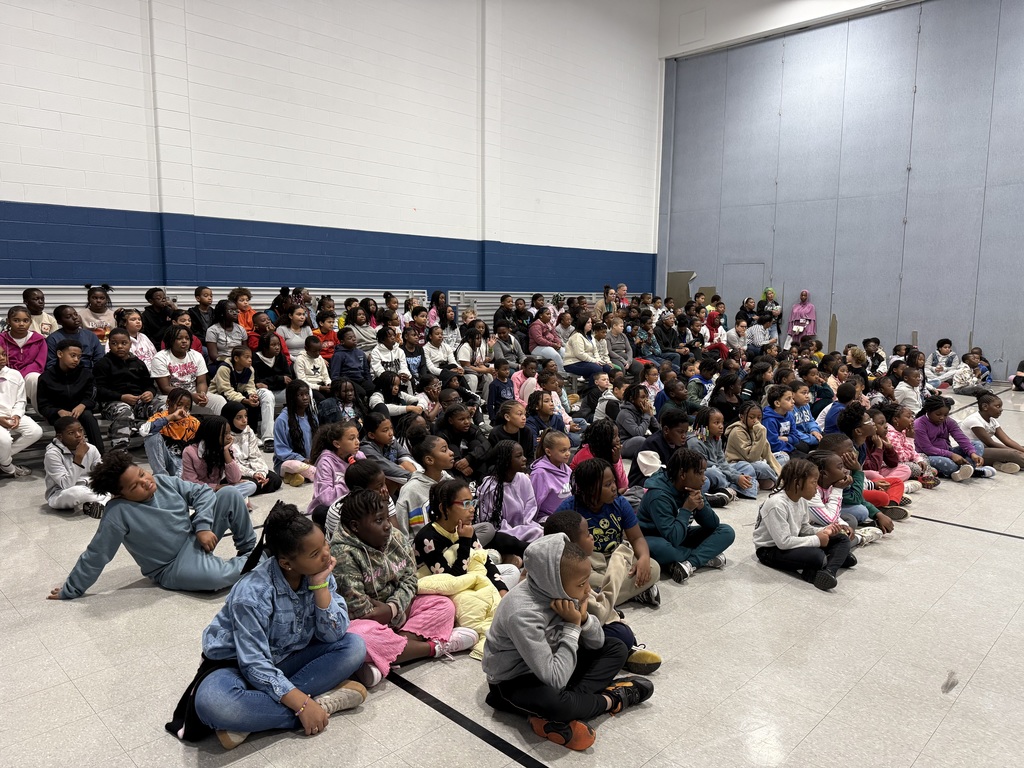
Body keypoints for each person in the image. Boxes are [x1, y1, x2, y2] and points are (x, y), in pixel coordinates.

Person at [175, 502, 367, 750]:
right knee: (215, 703)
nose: (326, 555)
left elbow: (333, 635)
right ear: (287, 563)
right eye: (314, 553)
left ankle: (253, 720)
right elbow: (253, 663)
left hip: (286, 657)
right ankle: (318, 703)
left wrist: (320, 587)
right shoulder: (253, 594)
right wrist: (301, 704)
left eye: (325, 544)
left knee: (354, 646)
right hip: (235, 665)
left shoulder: (319, 572)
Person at [482, 533, 654, 751]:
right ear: (553, 582)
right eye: (582, 584)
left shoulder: (562, 590)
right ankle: (611, 699)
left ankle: (566, 711)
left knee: (616, 648)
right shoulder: (522, 613)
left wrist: (582, 619)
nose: (588, 590)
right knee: (555, 702)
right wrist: (572, 627)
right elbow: (555, 679)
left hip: (555, 665)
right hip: (514, 680)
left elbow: (598, 643)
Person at [47, 450, 257, 599]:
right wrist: (72, 588)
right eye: (135, 486)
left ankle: (250, 552)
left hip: (195, 538)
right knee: (216, 578)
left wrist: (202, 527)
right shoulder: (118, 512)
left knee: (229, 493)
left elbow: (203, 494)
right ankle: (260, 561)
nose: (145, 482)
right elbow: (97, 553)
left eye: (141, 474)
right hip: (172, 567)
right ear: (120, 494)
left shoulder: (164, 481)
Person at [330, 491, 478, 688]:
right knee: (359, 638)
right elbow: (360, 610)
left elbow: (410, 578)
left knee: (444, 605)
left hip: (396, 611)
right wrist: (394, 611)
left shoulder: (396, 537)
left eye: (386, 518)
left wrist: (393, 608)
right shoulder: (342, 554)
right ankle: (434, 648)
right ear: (356, 527)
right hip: (366, 622)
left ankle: (386, 657)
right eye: (378, 520)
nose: (387, 525)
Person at [556, 458, 660, 607]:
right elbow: (553, 545)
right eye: (607, 484)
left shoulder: (620, 503)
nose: (614, 488)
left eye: (613, 482)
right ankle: (633, 593)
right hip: (588, 562)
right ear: (590, 489)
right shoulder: (570, 508)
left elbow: (637, 538)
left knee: (653, 567)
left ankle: (597, 600)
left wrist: (643, 557)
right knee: (582, 579)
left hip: (616, 558)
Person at [752, 458, 854, 591]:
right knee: (817, 556)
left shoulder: (802, 500)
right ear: (798, 483)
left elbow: (804, 528)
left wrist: (827, 529)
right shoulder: (776, 504)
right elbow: (783, 542)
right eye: (814, 482)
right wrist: (818, 539)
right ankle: (829, 561)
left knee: (842, 539)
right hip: (770, 551)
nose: (817, 488)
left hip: (792, 542)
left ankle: (828, 571)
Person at [637, 447, 735, 583]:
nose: (704, 478)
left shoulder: (693, 488)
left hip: (681, 533)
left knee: (726, 531)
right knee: (663, 550)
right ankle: (701, 557)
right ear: (683, 474)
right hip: (654, 537)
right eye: (700, 473)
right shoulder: (658, 495)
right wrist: (687, 509)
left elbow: (713, 525)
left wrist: (701, 507)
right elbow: (672, 538)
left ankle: (688, 563)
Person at [413, 478, 516, 593]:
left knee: (512, 570)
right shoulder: (428, 539)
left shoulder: (464, 528)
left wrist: (502, 591)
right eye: (466, 504)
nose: (472, 509)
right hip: (441, 590)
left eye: (472, 502)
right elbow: (452, 583)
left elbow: (485, 560)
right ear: (444, 508)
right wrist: (465, 541)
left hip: (468, 574)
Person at [93, 327, 158, 450]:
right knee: (125, 412)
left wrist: (150, 392)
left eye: (124, 343)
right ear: (109, 344)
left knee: (163, 407)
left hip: (139, 402)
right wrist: (121, 397)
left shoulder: (138, 363)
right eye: (114, 343)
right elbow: (98, 390)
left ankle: (162, 445)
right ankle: (119, 450)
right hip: (112, 404)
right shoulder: (103, 364)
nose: (119, 346)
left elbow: (149, 384)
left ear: (130, 343)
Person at [37, 338, 105, 453]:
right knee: (66, 424)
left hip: (80, 410)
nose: (76, 360)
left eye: (79, 357)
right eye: (72, 355)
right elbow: (43, 405)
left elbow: (92, 396)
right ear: (60, 354)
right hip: (58, 413)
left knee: (88, 417)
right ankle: (64, 457)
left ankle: (99, 455)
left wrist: (83, 405)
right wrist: (58, 411)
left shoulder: (86, 374)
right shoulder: (46, 377)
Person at [477, 440, 544, 548]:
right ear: (505, 461)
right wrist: (522, 531)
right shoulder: (490, 488)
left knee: (541, 532)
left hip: (526, 529)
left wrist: (526, 528)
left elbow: (530, 510)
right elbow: (493, 525)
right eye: (518, 456)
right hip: (501, 535)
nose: (524, 459)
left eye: (523, 455)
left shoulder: (523, 479)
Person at [686, 407, 759, 501]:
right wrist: (736, 477)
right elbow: (708, 467)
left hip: (721, 471)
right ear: (705, 425)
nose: (721, 426)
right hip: (706, 473)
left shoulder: (717, 438)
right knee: (714, 473)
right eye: (716, 423)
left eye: (722, 422)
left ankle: (733, 489)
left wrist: (737, 476)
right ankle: (735, 489)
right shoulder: (695, 442)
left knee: (745, 466)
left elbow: (722, 462)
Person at [152, 325, 226, 415]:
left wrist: (202, 395)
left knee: (219, 401)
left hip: (194, 393)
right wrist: (190, 396)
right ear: (171, 340)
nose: (184, 341)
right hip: (171, 396)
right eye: (179, 338)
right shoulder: (160, 358)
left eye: (187, 338)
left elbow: (201, 382)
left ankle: (221, 427)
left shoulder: (196, 355)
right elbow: (165, 388)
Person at [913, 395, 990, 482]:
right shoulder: (919, 424)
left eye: (945, 415)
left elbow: (961, 438)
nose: (942, 417)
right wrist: (951, 455)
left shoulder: (948, 421)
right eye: (938, 414)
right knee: (949, 465)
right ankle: (969, 470)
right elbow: (928, 449)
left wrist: (972, 453)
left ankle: (966, 469)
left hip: (948, 451)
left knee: (977, 444)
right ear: (928, 411)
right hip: (927, 456)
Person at [43, 416, 109, 517]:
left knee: (117, 481)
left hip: (90, 488)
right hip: (62, 493)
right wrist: (78, 458)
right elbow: (66, 485)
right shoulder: (52, 454)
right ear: (60, 437)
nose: (78, 435)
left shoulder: (91, 448)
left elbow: (101, 474)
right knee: (77, 492)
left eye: (80, 430)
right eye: (71, 433)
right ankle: (108, 498)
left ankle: (100, 503)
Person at [182, 416, 258, 500]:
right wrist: (217, 487)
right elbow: (190, 483)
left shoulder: (225, 448)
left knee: (251, 485)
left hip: (218, 491)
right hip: (199, 492)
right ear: (213, 434)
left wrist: (226, 451)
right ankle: (228, 499)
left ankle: (222, 499)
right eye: (225, 433)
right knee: (231, 492)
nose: (229, 437)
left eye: (229, 433)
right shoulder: (189, 452)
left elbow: (234, 479)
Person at [394, 435, 455, 537]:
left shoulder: (450, 481)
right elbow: (402, 530)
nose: (451, 452)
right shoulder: (410, 490)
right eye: (444, 450)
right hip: (423, 546)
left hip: (451, 537)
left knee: (486, 528)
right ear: (429, 460)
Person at [222, 401, 283, 496]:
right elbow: (233, 463)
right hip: (235, 472)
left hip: (251, 468)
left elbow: (256, 456)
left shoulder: (248, 431)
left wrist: (260, 473)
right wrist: (252, 474)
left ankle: (256, 486)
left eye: (245, 416)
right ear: (229, 418)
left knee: (275, 480)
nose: (244, 420)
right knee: (252, 483)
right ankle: (252, 487)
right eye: (239, 417)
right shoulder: (226, 436)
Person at [0, 345, 43, 479]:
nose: (2, 358)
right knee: (5, 440)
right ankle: (8, 466)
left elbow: (21, 400)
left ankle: (2, 459)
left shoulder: (14, 374)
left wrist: (17, 415)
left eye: (3, 355)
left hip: (12, 413)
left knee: (35, 431)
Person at [724, 401, 782, 490]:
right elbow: (751, 458)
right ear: (742, 417)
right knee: (762, 467)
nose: (756, 421)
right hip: (738, 465)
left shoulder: (756, 428)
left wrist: (780, 473)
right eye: (752, 417)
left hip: (754, 462)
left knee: (783, 457)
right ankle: (777, 483)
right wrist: (761, 434)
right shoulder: (737, 432)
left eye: (759, 418)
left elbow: (767, 454)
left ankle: (769, 480)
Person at [961, 393, 1024, 472]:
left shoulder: (992, 421)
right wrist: (1017, 452)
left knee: (1019, 448)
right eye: (997, 406)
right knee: (1013, 454)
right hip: (975, 452)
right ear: (985, 407)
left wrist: (1022, 450)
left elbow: (1007, 440)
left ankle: (999, 465)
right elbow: (990, 443)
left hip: (987, 449)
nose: (1001, 409)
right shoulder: (974, 420)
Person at [274, 380, 319, 485]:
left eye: (307, 394)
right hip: (288, 462)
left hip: (310, 461)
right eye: (300, 395)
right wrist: (302, 460)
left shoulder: (312, 417)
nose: (305, 397)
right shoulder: (282, 420)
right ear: (292, 398)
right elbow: (281, 450)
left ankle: (294, 477)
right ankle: (306, 473)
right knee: (297, 466)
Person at [1, 305, 47, 408]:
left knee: (35, 378)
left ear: (30, 322)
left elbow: (39, 364)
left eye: (25, 321)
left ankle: (42, 412)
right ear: (8, 321)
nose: (21, 324)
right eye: (16, 320)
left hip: (28, 376)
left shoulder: (39, 340)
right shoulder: (2, 339)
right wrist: (13, 375)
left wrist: (19, 375)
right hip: (6, 375)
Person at [45, 305, 105, 369]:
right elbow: (51, 364)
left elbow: (99, 359)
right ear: (59, 322)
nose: (75, 318)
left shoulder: (90, 335)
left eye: (76, 314)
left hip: (89, 372)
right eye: (68, 317)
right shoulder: (53, 338)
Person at [205, 300, 248, 366]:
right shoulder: (212, 330)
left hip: (238, 362)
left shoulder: (241, 329)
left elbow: (245, 351)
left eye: (236, 310)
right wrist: (230, 361)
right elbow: (213, 355)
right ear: (222, 313)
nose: (235, 313)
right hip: (220, 363)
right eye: (231, 311)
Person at [528, 307, 566, 373]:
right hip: (536, 347)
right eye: (547, 314)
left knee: (564, 352)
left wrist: (558, 343)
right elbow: (539, 340)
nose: (549, 316)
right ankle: (561, 373)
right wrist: (553, 345)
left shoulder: (549, 324)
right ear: (541, 315)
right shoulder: (536, 325)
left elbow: (555, 335)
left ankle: (568, 371)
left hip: (550, 345)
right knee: (555, 355)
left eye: (550, 314)